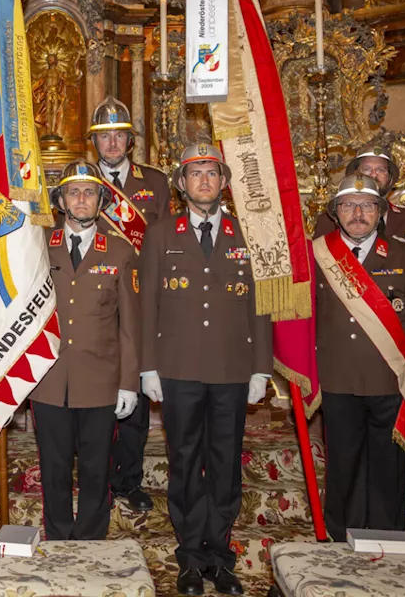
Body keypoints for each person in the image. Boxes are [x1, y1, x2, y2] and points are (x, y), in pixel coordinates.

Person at [139, 144, 271, 596]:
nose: (204, 181)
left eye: (212, 173)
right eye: (195, 174)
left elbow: (260, 307)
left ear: (224, 182)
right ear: (181, 183)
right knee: (185, 462)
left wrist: (261, 369)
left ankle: (221, 555)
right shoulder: (159, 234)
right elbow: (146, 306)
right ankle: (190, 557)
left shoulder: (245, 234)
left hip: (232, 370)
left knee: (225, 465)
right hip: (178, 370)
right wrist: (148, 367)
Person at [312, 175, 405, 542]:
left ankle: (387, 539)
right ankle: (341, 539)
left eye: (367, 206)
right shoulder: (317, 254)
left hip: (390, 380)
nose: (357, 213)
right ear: (336, 214)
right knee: (343, 467)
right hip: (338, 380)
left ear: (380, 213)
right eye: (348, 205)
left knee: (389, 468)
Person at [30, 160, 140, 540]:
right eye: (73, 192)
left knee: (96, 469)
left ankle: (92, 540)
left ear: (101, 201)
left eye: (89, 192)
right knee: (54, 468)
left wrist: (129, 383)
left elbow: (130, 325)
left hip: (100, 382)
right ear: (60, 200)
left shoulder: (121, 253)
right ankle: (59, 537)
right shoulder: (38, 247)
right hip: (48, 379)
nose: (81, 199)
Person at [89, 105, 171, 513]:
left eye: (119, 135)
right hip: (95, 305)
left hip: (141, 302)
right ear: (94, 142)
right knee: (99, 398)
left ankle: (129, 479)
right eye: (104, 136)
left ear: (130, 140)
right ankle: (96, 479)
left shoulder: (154, 182)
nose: (112, 142)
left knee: (134, 398)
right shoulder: (80, 183)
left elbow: (169, 242)